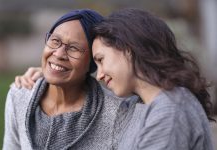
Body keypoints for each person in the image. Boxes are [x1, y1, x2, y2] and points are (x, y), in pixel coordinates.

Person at [17, 8, 215, 150]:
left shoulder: (169, 113)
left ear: (129, 50)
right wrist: (53, 73)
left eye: (101, 60)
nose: (100, 74)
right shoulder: (144, 105)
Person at [3, 9, 138, 150]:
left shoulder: (117, 114)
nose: (59, 53)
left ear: (92, 61)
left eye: (73, 48)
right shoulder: (19, 96)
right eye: (55, 41)